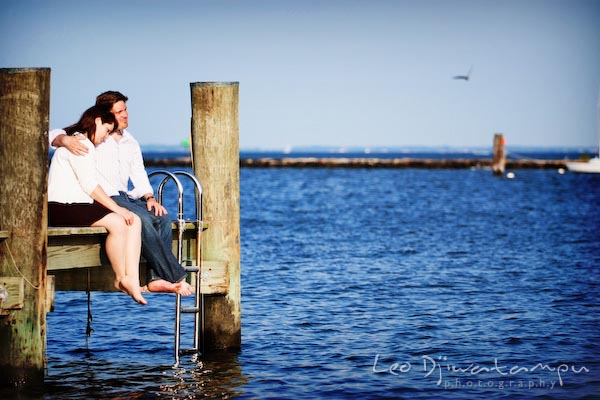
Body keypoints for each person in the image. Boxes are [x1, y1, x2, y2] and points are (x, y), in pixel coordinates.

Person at [49, 91, 193, 296]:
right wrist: (64, 139)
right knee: (140, 219)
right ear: (104, 116)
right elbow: (50, 134)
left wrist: (149, 197)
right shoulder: (91, 138)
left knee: (161, 217)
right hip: (104, 197)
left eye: (125, 109)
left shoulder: (130, 141)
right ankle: (175, 275)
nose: (126, 115)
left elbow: (138, 172)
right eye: (119, 111)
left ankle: (155, 278)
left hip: (125, 196)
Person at [48, 105, 147, 305]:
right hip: (63, 207)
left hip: (78, 205)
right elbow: (90, 185)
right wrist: (118, 208)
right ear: (98, 121)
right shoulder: (81, 143)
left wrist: (120, 210)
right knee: (119, 223)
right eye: (106, 131)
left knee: (134, 221)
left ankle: (132, 280)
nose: (106, 137)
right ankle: (120, 277)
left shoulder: (81, 142)